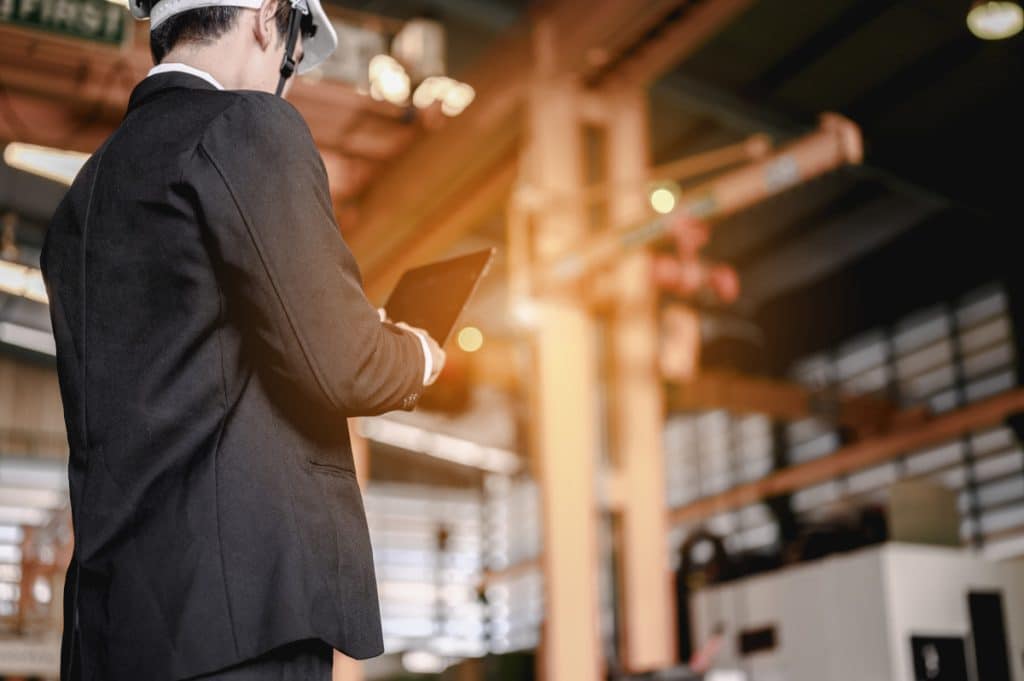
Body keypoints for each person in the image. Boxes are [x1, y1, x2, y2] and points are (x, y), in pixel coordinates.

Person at [39, 0, 446, 678]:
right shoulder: (248, 126)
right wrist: (418, 354)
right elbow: (345, 362)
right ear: (266, 16)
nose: (286, 82)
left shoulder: (86, 191)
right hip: (237, 626)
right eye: (291, 59)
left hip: (111, 636)